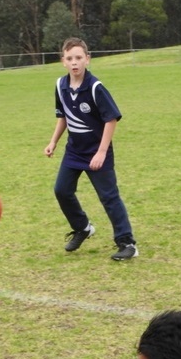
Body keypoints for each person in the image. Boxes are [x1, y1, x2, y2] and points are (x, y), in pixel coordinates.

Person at [44, 37, 138, 261]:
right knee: (61, 191)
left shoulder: (96, 87)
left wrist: (102, 152)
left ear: (88, 59)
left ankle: (127, 243)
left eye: (78, 58)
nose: (74, 62)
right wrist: (53, 142)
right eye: (69, 58)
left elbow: (111, 119)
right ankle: (82, 227)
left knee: (109, 197)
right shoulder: (61, 85)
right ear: (63, 61)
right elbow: (63, 116)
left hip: (97, 151)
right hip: (74, 151)